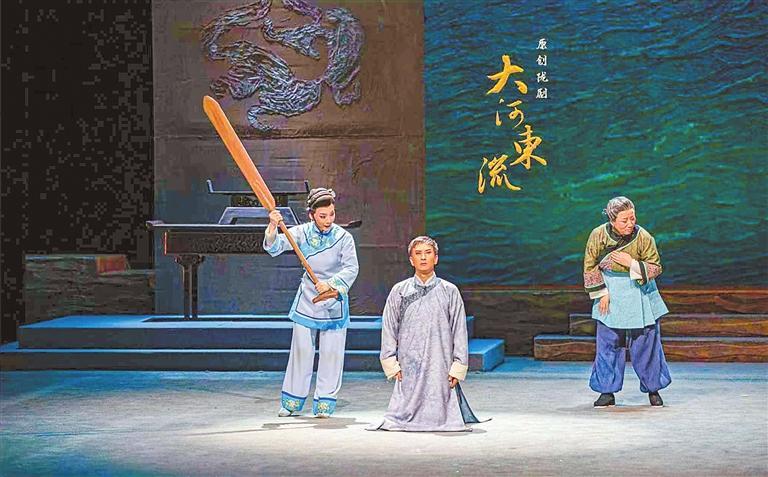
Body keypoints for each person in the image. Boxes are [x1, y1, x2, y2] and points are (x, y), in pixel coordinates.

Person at [370, 235, 483, 431]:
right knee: (405, 401)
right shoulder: (400, 291)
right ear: (411, 260)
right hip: (409, 360)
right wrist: (390, 362)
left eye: (428, 253)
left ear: (436, 258)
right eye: (418, 253)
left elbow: (459, 330)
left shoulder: (449, 291)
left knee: (440, 398)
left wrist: (458, 365)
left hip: (440, 359)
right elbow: (389, 327)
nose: (423, 257)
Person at [264, 187, 359, 418]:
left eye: (331, 214)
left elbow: (351, 268)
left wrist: (331, 284)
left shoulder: (343, 238)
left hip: (333, 299)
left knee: (331, 353)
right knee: (302, 351)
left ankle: (325, 402)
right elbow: (274, 248)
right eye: (322, 216)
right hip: (308, 298)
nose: (328, 220)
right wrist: (273, 226)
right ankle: (292, 402)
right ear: (311, 215)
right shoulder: (301, 233)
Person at [583, 196, 671, 408]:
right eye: (624, 220)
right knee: (608, 344)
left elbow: (655, 266)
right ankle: (606, 391)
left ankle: (653, 389)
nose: (630, 223)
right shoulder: (598, 235)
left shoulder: (644, 237)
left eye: (633, 218)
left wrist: (631, 263)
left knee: (646, 345)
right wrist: (602, 293)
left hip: (639, 291)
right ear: (612, 220)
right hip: (610, 291)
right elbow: (590, 264)